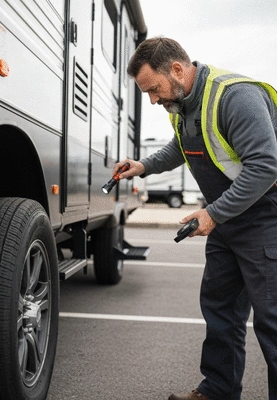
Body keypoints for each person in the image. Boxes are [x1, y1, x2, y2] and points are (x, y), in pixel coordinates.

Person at [114, 37, 277, 400]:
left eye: (153, 89)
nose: (153, 100)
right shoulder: (184, 105)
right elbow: (182, 146)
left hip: (266, 218)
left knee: (272, 321)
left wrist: (213, 213)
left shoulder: (236, 97)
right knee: (221, 312)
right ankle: (217, 391)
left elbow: (265, 167)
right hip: (226, 219)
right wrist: (144, 166)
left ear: (176, 70)